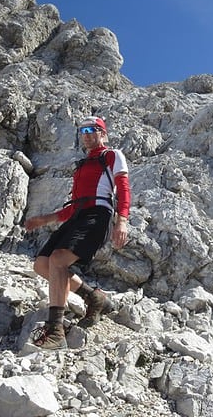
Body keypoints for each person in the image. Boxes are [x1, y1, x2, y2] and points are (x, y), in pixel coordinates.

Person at [24, 116, 131, 350]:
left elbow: (122, 188)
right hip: (77, 216)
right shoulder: (82, 165)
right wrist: (45, 219)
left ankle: (55, 330)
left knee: (59, 260)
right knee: (42, 265)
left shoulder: (111, 156)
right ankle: (94, 298)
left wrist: (121, 222)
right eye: (83, 130)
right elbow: (74, 206)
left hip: (98, 215)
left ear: (103, 134)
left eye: (94, 129)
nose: (88, 133)